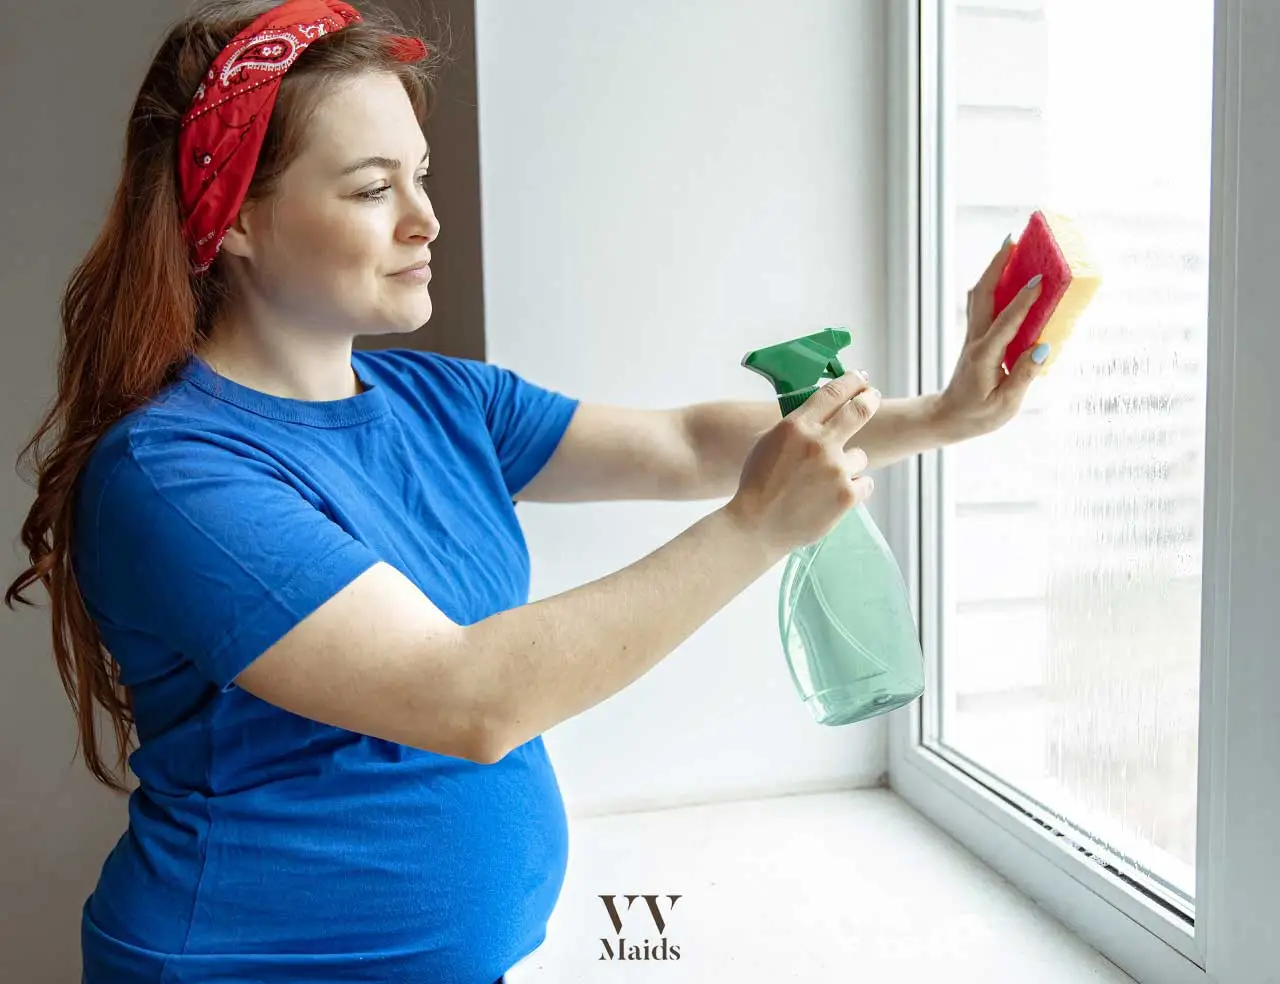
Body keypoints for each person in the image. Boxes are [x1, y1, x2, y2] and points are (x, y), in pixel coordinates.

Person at [4, 0, 1049, 981]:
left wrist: (939, 416)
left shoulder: (436, 398)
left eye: (418, 176)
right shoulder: (175, 474)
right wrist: (754, 531)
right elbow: (465, 697)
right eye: (372, 189)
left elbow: (687, 443)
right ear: (230, 218)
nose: (426, 220)